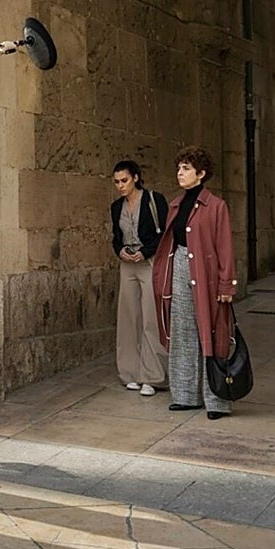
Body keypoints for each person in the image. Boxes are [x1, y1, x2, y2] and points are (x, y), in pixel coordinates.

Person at [152, 146, 238, 420]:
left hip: (207, 274)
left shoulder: (216, 206)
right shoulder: (176, 204)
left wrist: (227, 285)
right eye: (179, 168)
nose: (180, 173)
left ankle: (217, 400)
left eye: (186, 168)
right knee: (182, 331)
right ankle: (186, 395)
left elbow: (225, 247)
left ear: (201, 174)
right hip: (179, 267)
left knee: (213, 334)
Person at [109, 160, 169, 397]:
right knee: (128, 316)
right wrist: (119, 251)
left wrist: (145, 252)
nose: (120, 186)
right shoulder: (116, 207)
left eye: (124, 180)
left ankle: (152, 376)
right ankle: (130, 373)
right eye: (116, 182)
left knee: (150, 317)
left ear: (135, 177)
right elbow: (116, 236)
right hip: (127, 264)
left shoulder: (155, 200)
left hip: (150, 262)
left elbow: (165, 232)